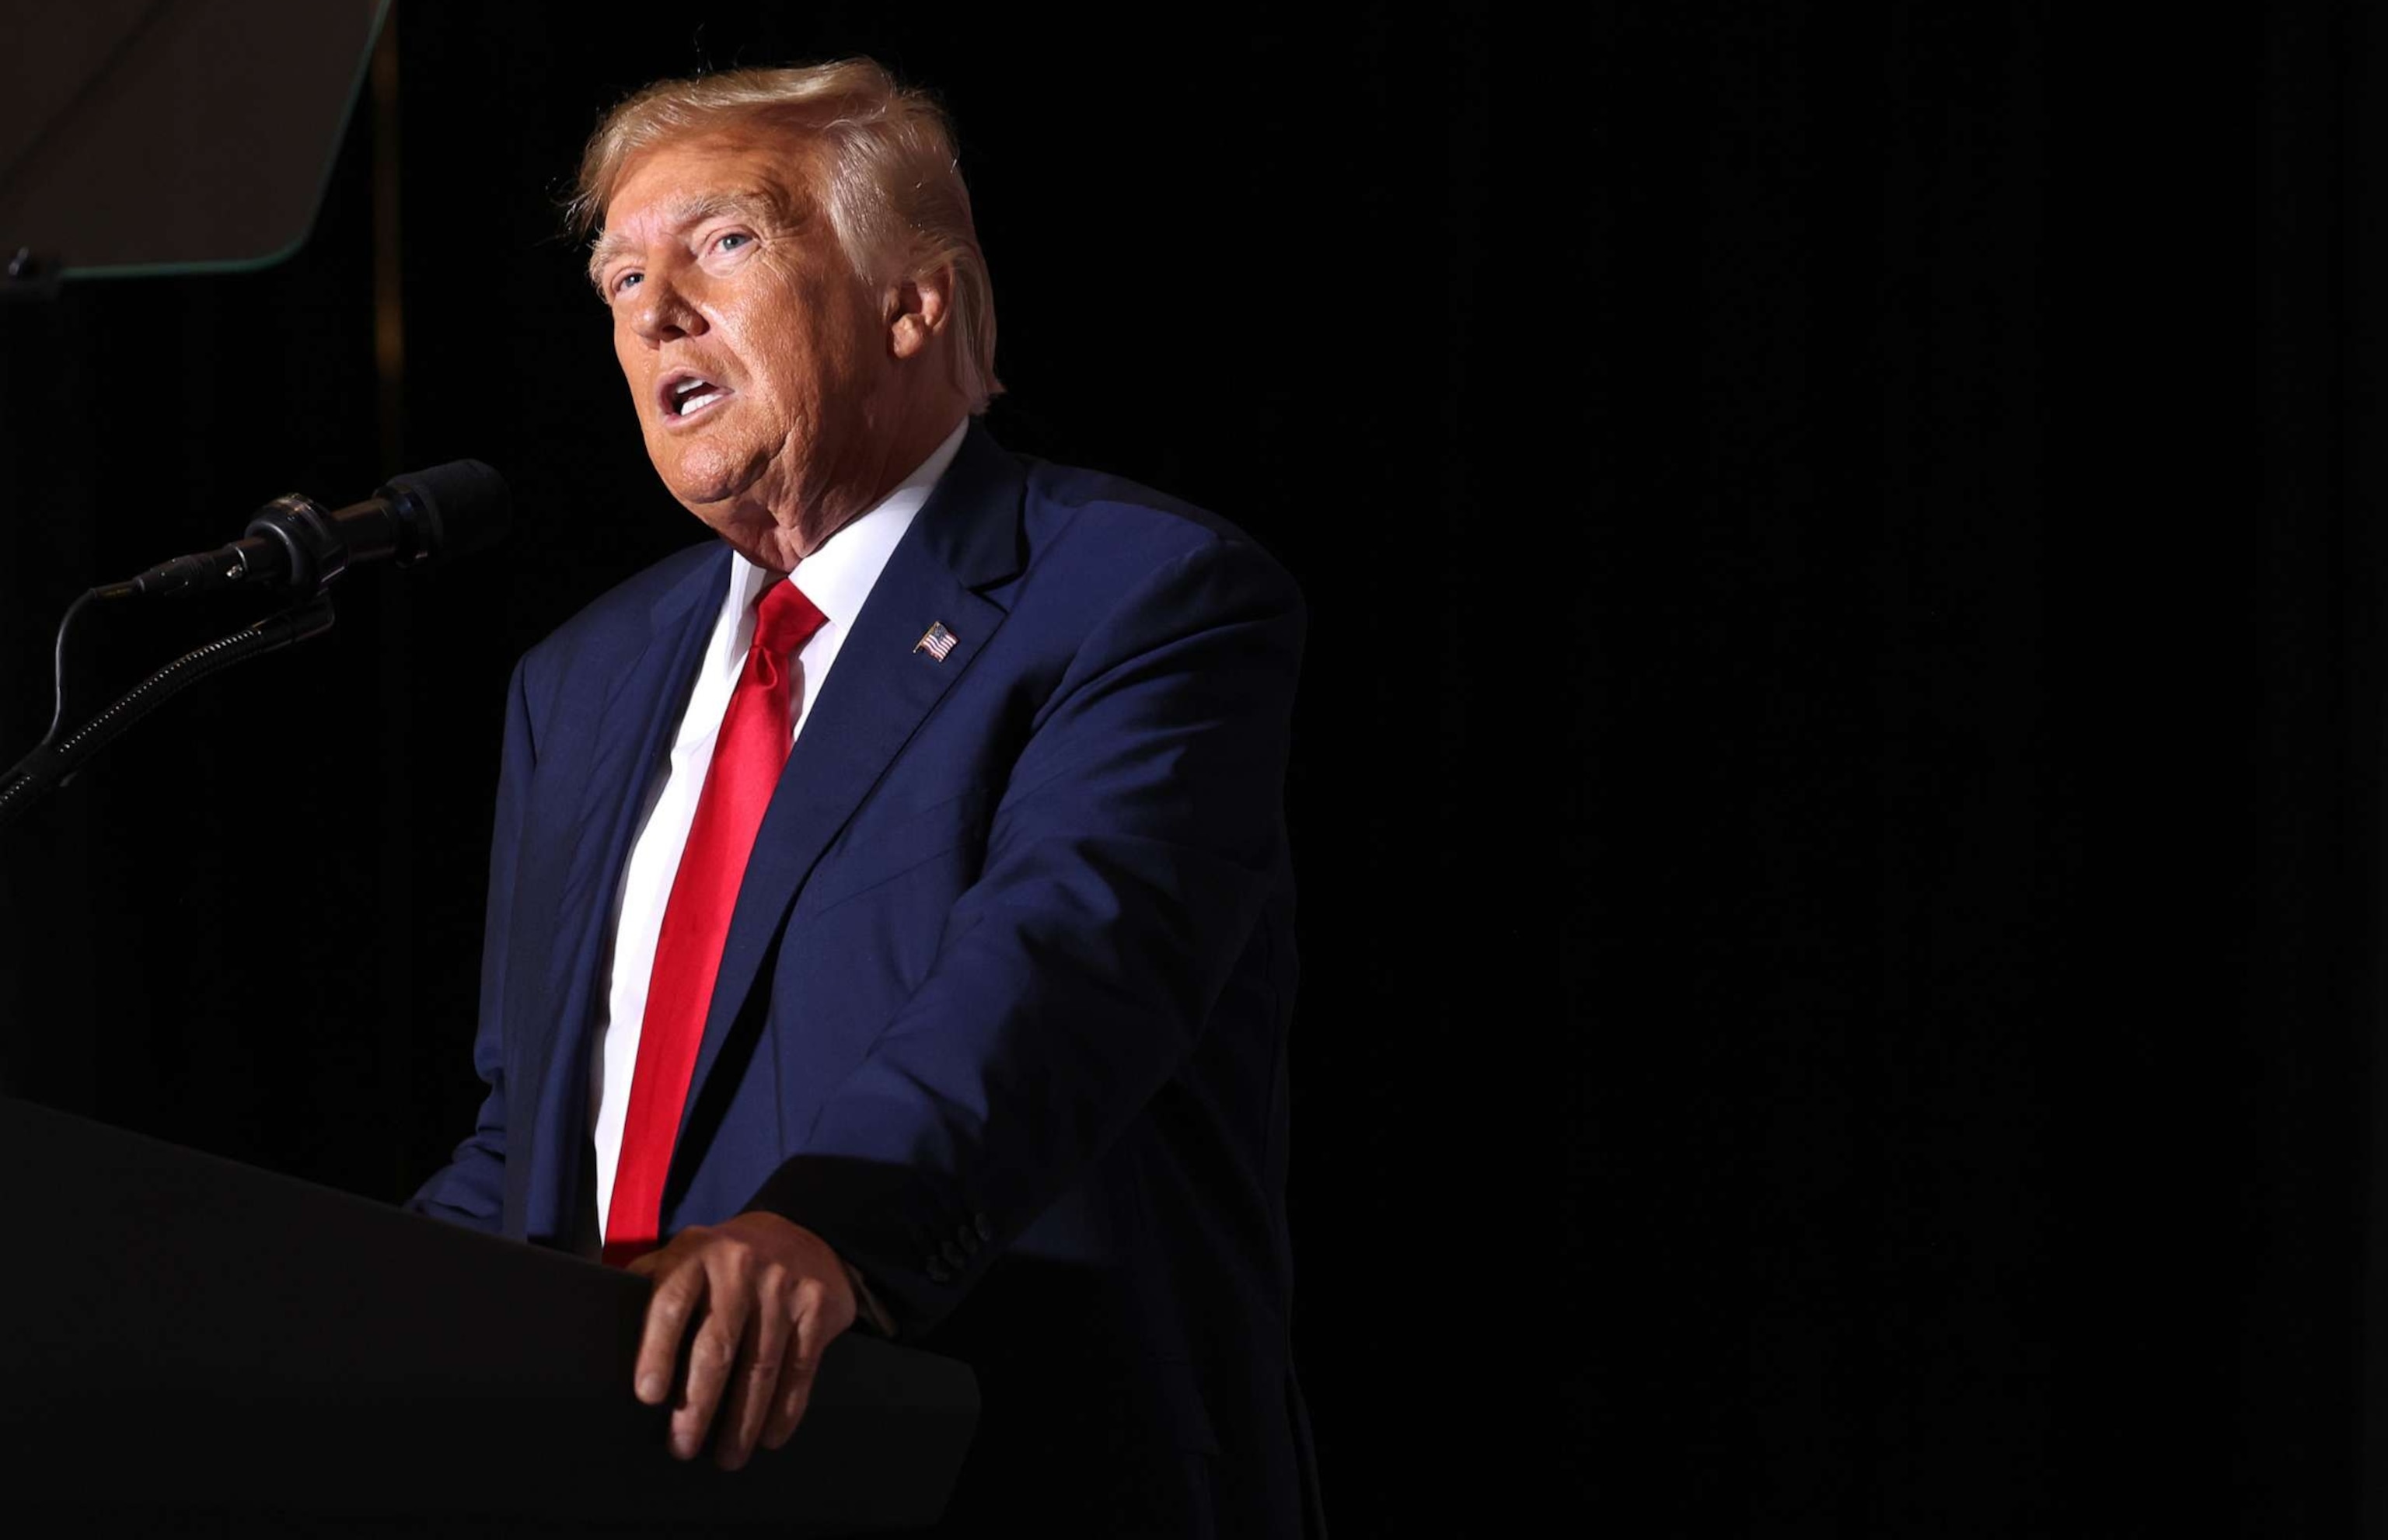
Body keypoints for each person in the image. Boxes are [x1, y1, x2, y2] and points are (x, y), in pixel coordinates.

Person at [404, 58, 1323, 1536]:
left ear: (915, 301)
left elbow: (1062, 973)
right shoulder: (576, 682)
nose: (652, 310)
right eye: (620, 275)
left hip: (1000, 1471)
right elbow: (537, 1136)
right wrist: (349, 1334)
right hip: (618, 1480)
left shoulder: (1138, 595)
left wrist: (828, 1228)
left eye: (725, 242)